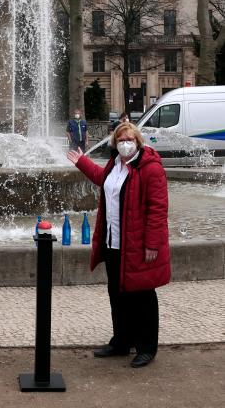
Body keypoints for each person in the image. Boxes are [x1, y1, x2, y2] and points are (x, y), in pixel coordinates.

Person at [67, 122, 170, 368]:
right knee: (117, 293)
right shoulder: (114, 165)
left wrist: (152, 244)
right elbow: (102, 179)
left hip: (138, 244)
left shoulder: (150, 168)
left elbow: (158, 209)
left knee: (142, 296)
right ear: (115, 143)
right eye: (120, 140)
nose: (125, 143)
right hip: (113, 242)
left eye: (129, 139)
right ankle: (121, 341)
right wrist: (82, 162)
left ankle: (146, 348)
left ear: (138, 141)